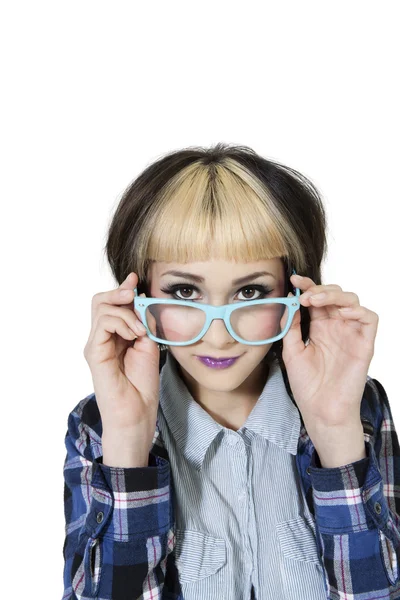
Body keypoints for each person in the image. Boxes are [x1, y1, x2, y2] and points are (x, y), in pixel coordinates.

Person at [61, 143, 400, 599]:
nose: (218, 335)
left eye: (250, 293)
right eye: (184, 291)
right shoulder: (99, 424)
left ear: (297, 291)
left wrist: (335, 430)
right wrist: (127, 442)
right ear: (135, 296)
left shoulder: (358, 406)